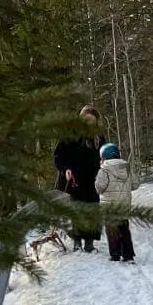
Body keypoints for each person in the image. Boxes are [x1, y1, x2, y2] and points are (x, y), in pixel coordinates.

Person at [53, 105, 104, 252]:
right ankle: (77, 242)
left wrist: (104, 162)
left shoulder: (99, 137)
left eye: (92, 121)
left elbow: (103, 154)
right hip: (74, 179)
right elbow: (59, 155)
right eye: (86, 120)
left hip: (93, 180)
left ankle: (89, 243)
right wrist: (66, 169)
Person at [94, 142, 137, 264]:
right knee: (124, 229)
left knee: (112, 230)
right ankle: (128, 255)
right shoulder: (127, 167)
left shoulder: (104, 170)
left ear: (104, 156)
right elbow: (135, 184)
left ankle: (115, 255)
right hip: (124, 204)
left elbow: (99, 188)